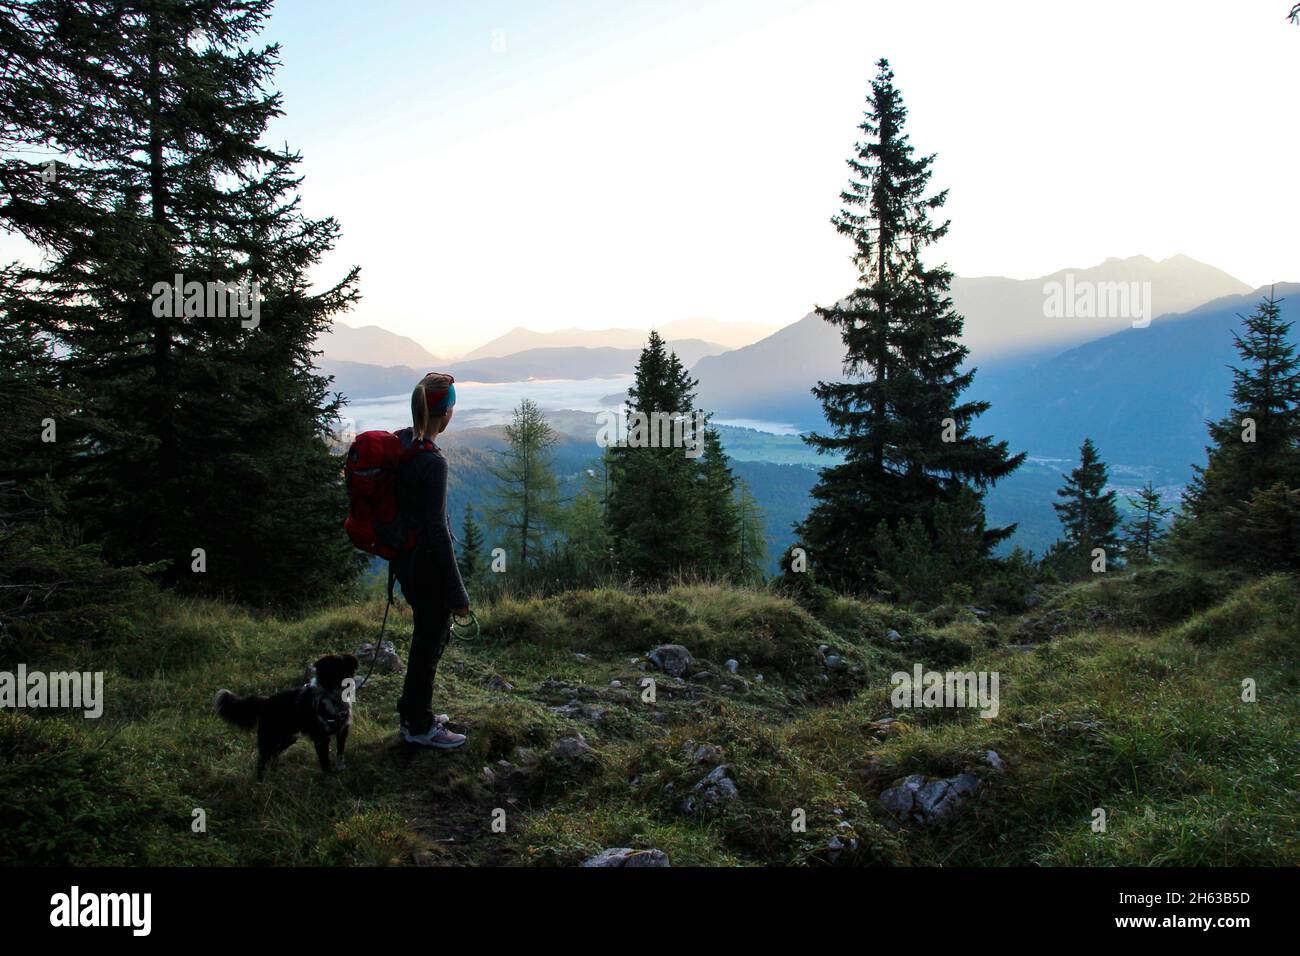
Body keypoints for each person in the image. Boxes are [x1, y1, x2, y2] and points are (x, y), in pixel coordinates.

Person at [392, 372, 469, 749]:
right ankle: (419, 725)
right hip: (426, 566)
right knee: (429, 643)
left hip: (404, 562)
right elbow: (437, 532)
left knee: (426, 639)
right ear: (446, 412)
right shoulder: (432, 462)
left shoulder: (402, 443)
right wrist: (458, 593)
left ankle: (414, 711)